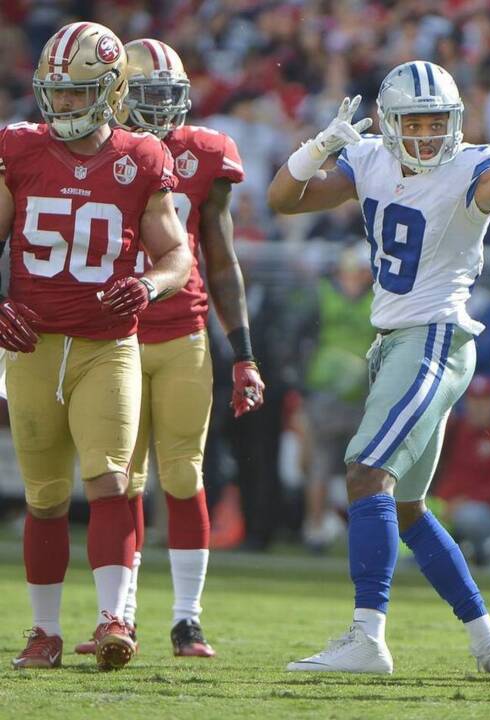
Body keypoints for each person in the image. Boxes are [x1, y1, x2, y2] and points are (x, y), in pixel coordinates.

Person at [269, 60, 490, 674]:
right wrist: (321, 145)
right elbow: (283, 200)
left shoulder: (468, 166)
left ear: (455, 122)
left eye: (435, 121)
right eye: (412, 122)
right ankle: (487, 642)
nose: (424, 135)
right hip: (394, 343)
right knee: (409, 508)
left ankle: (367, 638)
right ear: (390, 124)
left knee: (367, 472)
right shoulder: (369, 159)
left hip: (434, 337)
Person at [1, 22, 192, 670]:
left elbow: (176, 254)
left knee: (111, 477)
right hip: (33, 346)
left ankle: (115, 617)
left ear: (111, 91)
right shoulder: (20, 149)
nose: (67, 106)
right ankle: (44, 630)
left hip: (107, 345)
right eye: (58, 93)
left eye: (81, 94)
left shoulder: (140, 156)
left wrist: (150, 285)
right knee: (45, 496)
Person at [72, 38, 265, 659]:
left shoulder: (204, 155)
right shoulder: (94, 151)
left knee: (183, 474)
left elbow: (222, 257)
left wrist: (244, 352)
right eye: (146, 97)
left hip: (182, 333)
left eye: (168, 97)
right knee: (121, 482)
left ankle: (187, 620)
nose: (161, 111)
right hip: (111, 339)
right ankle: (118, 616)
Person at [303, 243, 375, 551]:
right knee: (320, 465)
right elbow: (302, 337)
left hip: (361, 396)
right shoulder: (322, 296)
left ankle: (357, 533)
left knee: (360, 469)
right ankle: (316, 530)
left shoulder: (376, 300)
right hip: (326, 393)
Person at [434, 375, 490, 566]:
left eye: (485, 401)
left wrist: (462, 502)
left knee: (470, 518)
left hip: (482, 511)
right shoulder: (454, 430)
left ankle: (479, 548)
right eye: (474, 400)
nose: (479, 407)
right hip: (442, 504)